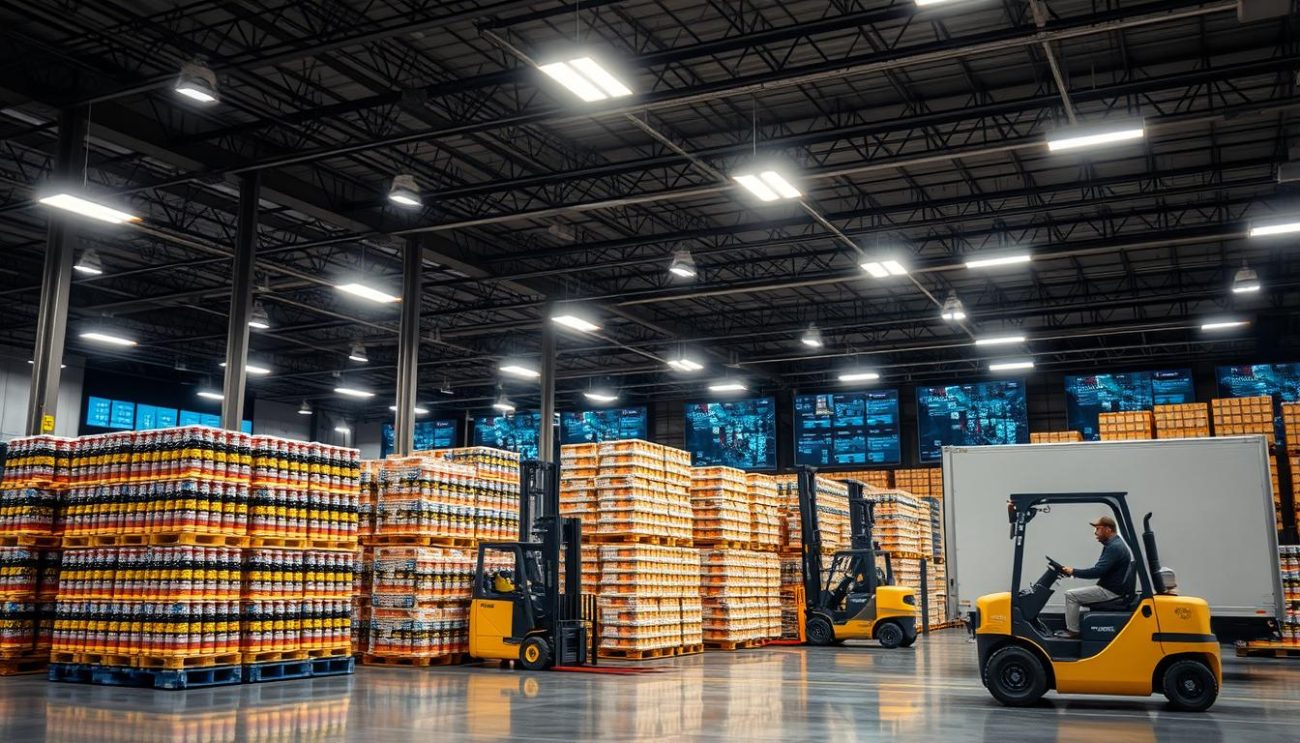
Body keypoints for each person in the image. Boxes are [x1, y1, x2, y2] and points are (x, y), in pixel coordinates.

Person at [1054, 515, 1133, 639]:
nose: (1095, 533)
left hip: (1110, 591)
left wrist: (1073, 571)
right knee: (1073, 594)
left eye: (1098, 529)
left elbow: (1097, 571)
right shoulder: (1114, 544)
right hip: (1112, 588)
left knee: (1071, 595)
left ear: (1108, 529)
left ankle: (1073, 631)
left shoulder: (1114, 547)